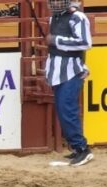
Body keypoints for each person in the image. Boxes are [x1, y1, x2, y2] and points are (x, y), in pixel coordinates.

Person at [45, 0, 93, 166]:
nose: (54, 3)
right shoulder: (54, 18)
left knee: (67, 107)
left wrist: (56, 40)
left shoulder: (78, 17)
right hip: (57, 70)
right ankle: (77, 147)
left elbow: (85, 43)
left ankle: (82, 148)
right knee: (63, 108)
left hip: (72, 70)